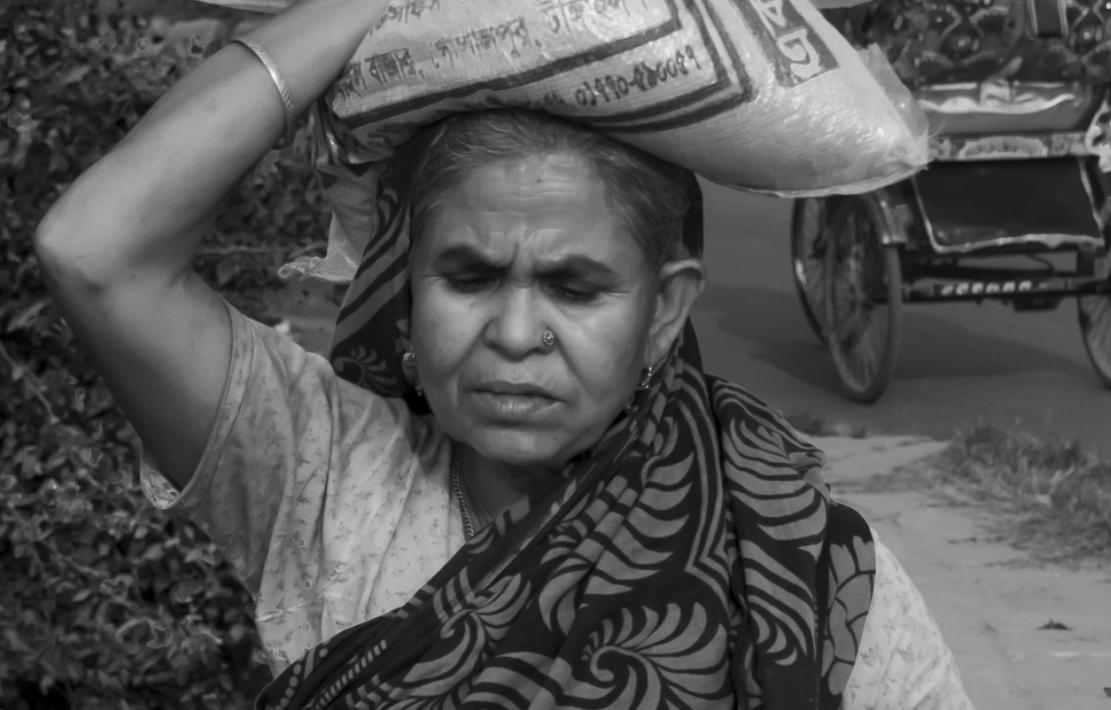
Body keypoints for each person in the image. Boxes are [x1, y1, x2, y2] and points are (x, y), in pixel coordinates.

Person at [35, 0, 975, 707]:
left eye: (575, 288)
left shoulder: (800, 565)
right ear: (403, 290)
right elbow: (95, 252)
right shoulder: (322, 472)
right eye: (470, 277)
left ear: (664, 309)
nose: (518, 335)